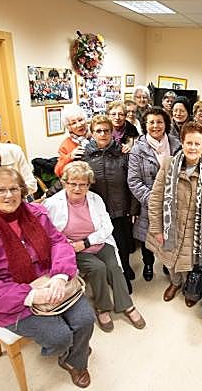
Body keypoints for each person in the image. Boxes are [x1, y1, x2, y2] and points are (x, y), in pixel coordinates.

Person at [0, 167, 94, 388]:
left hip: (50, 280)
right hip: (14, 300)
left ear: (22, 191)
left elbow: (58, 242)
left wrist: (60, 276)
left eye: (14, 189)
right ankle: (68, 350)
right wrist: (30, 295)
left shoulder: (37, 213)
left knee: (86, 319)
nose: (9, 195)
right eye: (0, 190)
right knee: (59, 337)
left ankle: (74, 360)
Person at [43, 161, 145, 332]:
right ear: (64, 183)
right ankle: (102, 308)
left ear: (89, 185)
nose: (77, 188)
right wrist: (69, 244)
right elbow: (48, 233)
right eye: (73, 183)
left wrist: (87, 242)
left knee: (113, 267)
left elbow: (107, 226)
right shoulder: (52, 204)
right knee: (98, 268)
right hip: (73, 249)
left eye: (83, 184)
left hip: (97, 242)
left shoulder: (95, 199)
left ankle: (126, 305)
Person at [146, 121, 202, 306]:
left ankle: (189, 287)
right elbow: (155, 198)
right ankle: (175, 283)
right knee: (170, 260)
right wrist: (156, 229)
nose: (193, 147)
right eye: (189, 143)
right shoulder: (169, 163)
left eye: (197, 143)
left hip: (195, 228)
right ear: (182, 143)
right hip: (171, 225)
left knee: (190, 262)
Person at [81, 116, 138, 292]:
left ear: (112, 132)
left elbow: (132, 182)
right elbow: (71, 178)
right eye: (98, 131)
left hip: (120, 209)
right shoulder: (84, 155)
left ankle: (126, 268)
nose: (103, 134)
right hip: (97, 211)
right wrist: (46, 196)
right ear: (92, 133)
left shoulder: (123, 153)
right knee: (106, 246)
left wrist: (133, 208)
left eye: (106, 130)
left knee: (123, 244)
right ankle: (117, 275)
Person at [128, 108, 181, 282]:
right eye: (151, 122)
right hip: (149, 203)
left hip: (173, 202)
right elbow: (134, 181)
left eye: (159, 122)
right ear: (145, 125)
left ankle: (167, 262)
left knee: (169, 234)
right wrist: (154, 200)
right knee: (148, 236)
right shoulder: (137, 149)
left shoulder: (176, 145)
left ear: (166, 124)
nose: (156, 126)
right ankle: (148, 264)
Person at [54, 107, 91, 177]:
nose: (79, 125)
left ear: (85, 120)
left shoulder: (97, 135)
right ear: (69, 127)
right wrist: (70, 157)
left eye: (80, 120)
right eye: (73, 123)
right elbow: (58, 172)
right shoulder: (66, 145)